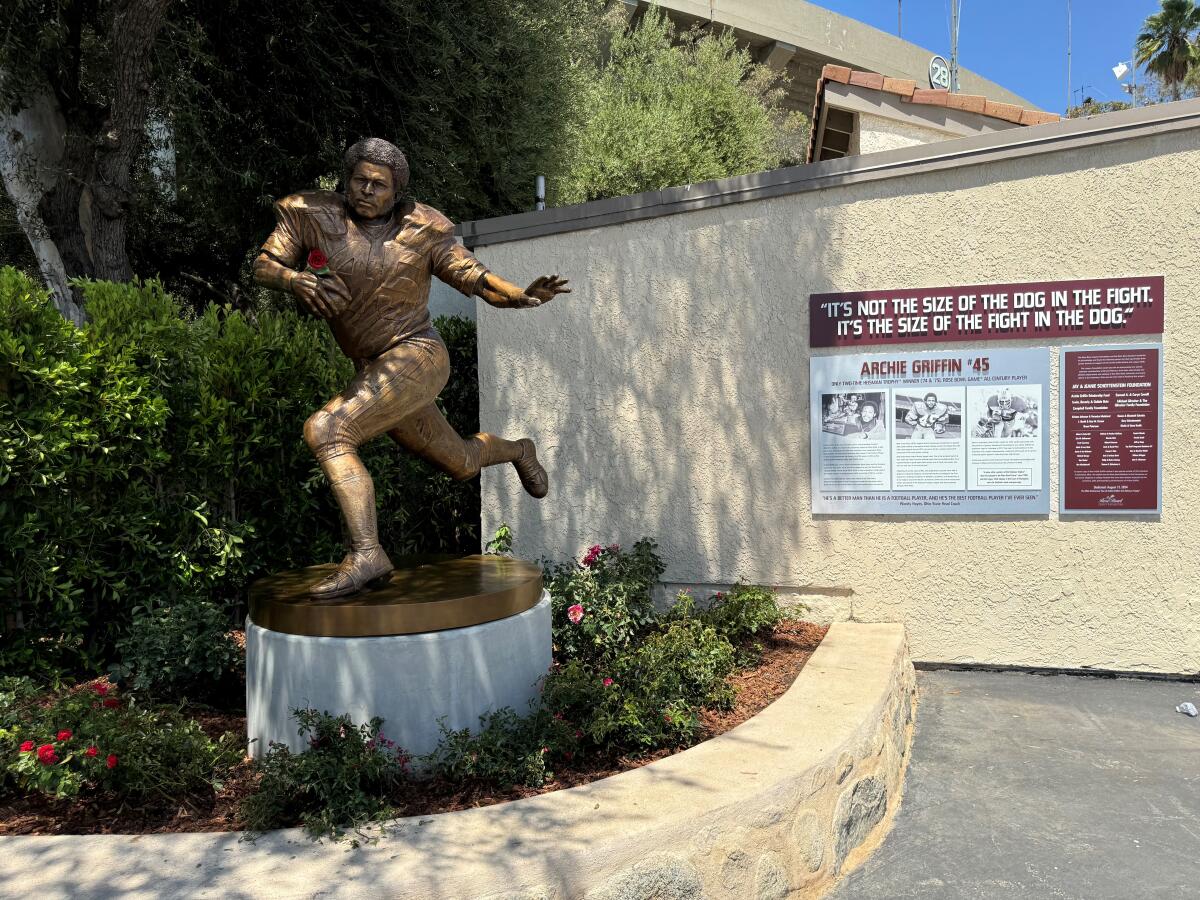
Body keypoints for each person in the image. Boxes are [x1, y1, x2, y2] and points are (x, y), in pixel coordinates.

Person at [253, 138, 570, 598]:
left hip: (417, 354)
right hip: (375, 368)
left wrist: (519, 294)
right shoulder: (311, 215)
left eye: (378, 185)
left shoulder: (422, 230)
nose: (366, 190)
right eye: (359, 180)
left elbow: (476, 278)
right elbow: (264, 263)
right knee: (460, 462)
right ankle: (519, 450)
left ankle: (366, 553)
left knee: (327, 431)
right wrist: (293, 278)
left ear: (396, 192)